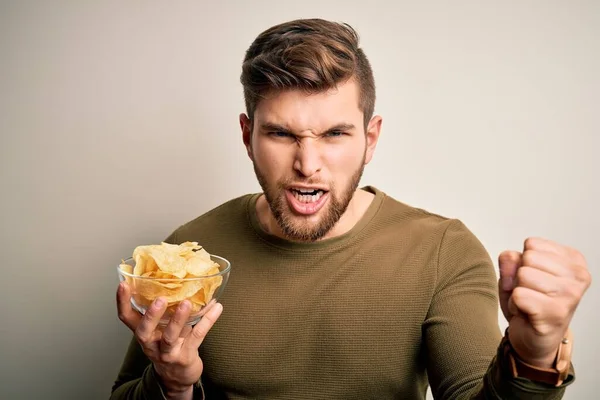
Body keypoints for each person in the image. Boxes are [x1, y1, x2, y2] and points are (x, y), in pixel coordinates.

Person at [110, 18, 592, 400]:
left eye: (335, 134)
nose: (308, 164)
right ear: (247, 136)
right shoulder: (187, 256)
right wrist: (172, 385)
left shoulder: (444, 251)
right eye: (281, 134)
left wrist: (532, 357)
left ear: (370, 139)